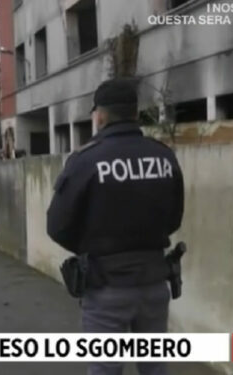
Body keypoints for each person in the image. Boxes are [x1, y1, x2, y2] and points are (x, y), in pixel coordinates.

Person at [46, 78, 184, 375]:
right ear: (135, 113)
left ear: (100, 116)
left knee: (105, 369)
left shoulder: (85, 160)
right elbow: (174, 218)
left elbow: (57, 226)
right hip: (154, 282)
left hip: (106, 285)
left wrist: (93, 245)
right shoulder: (163, 155)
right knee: (156, 367)